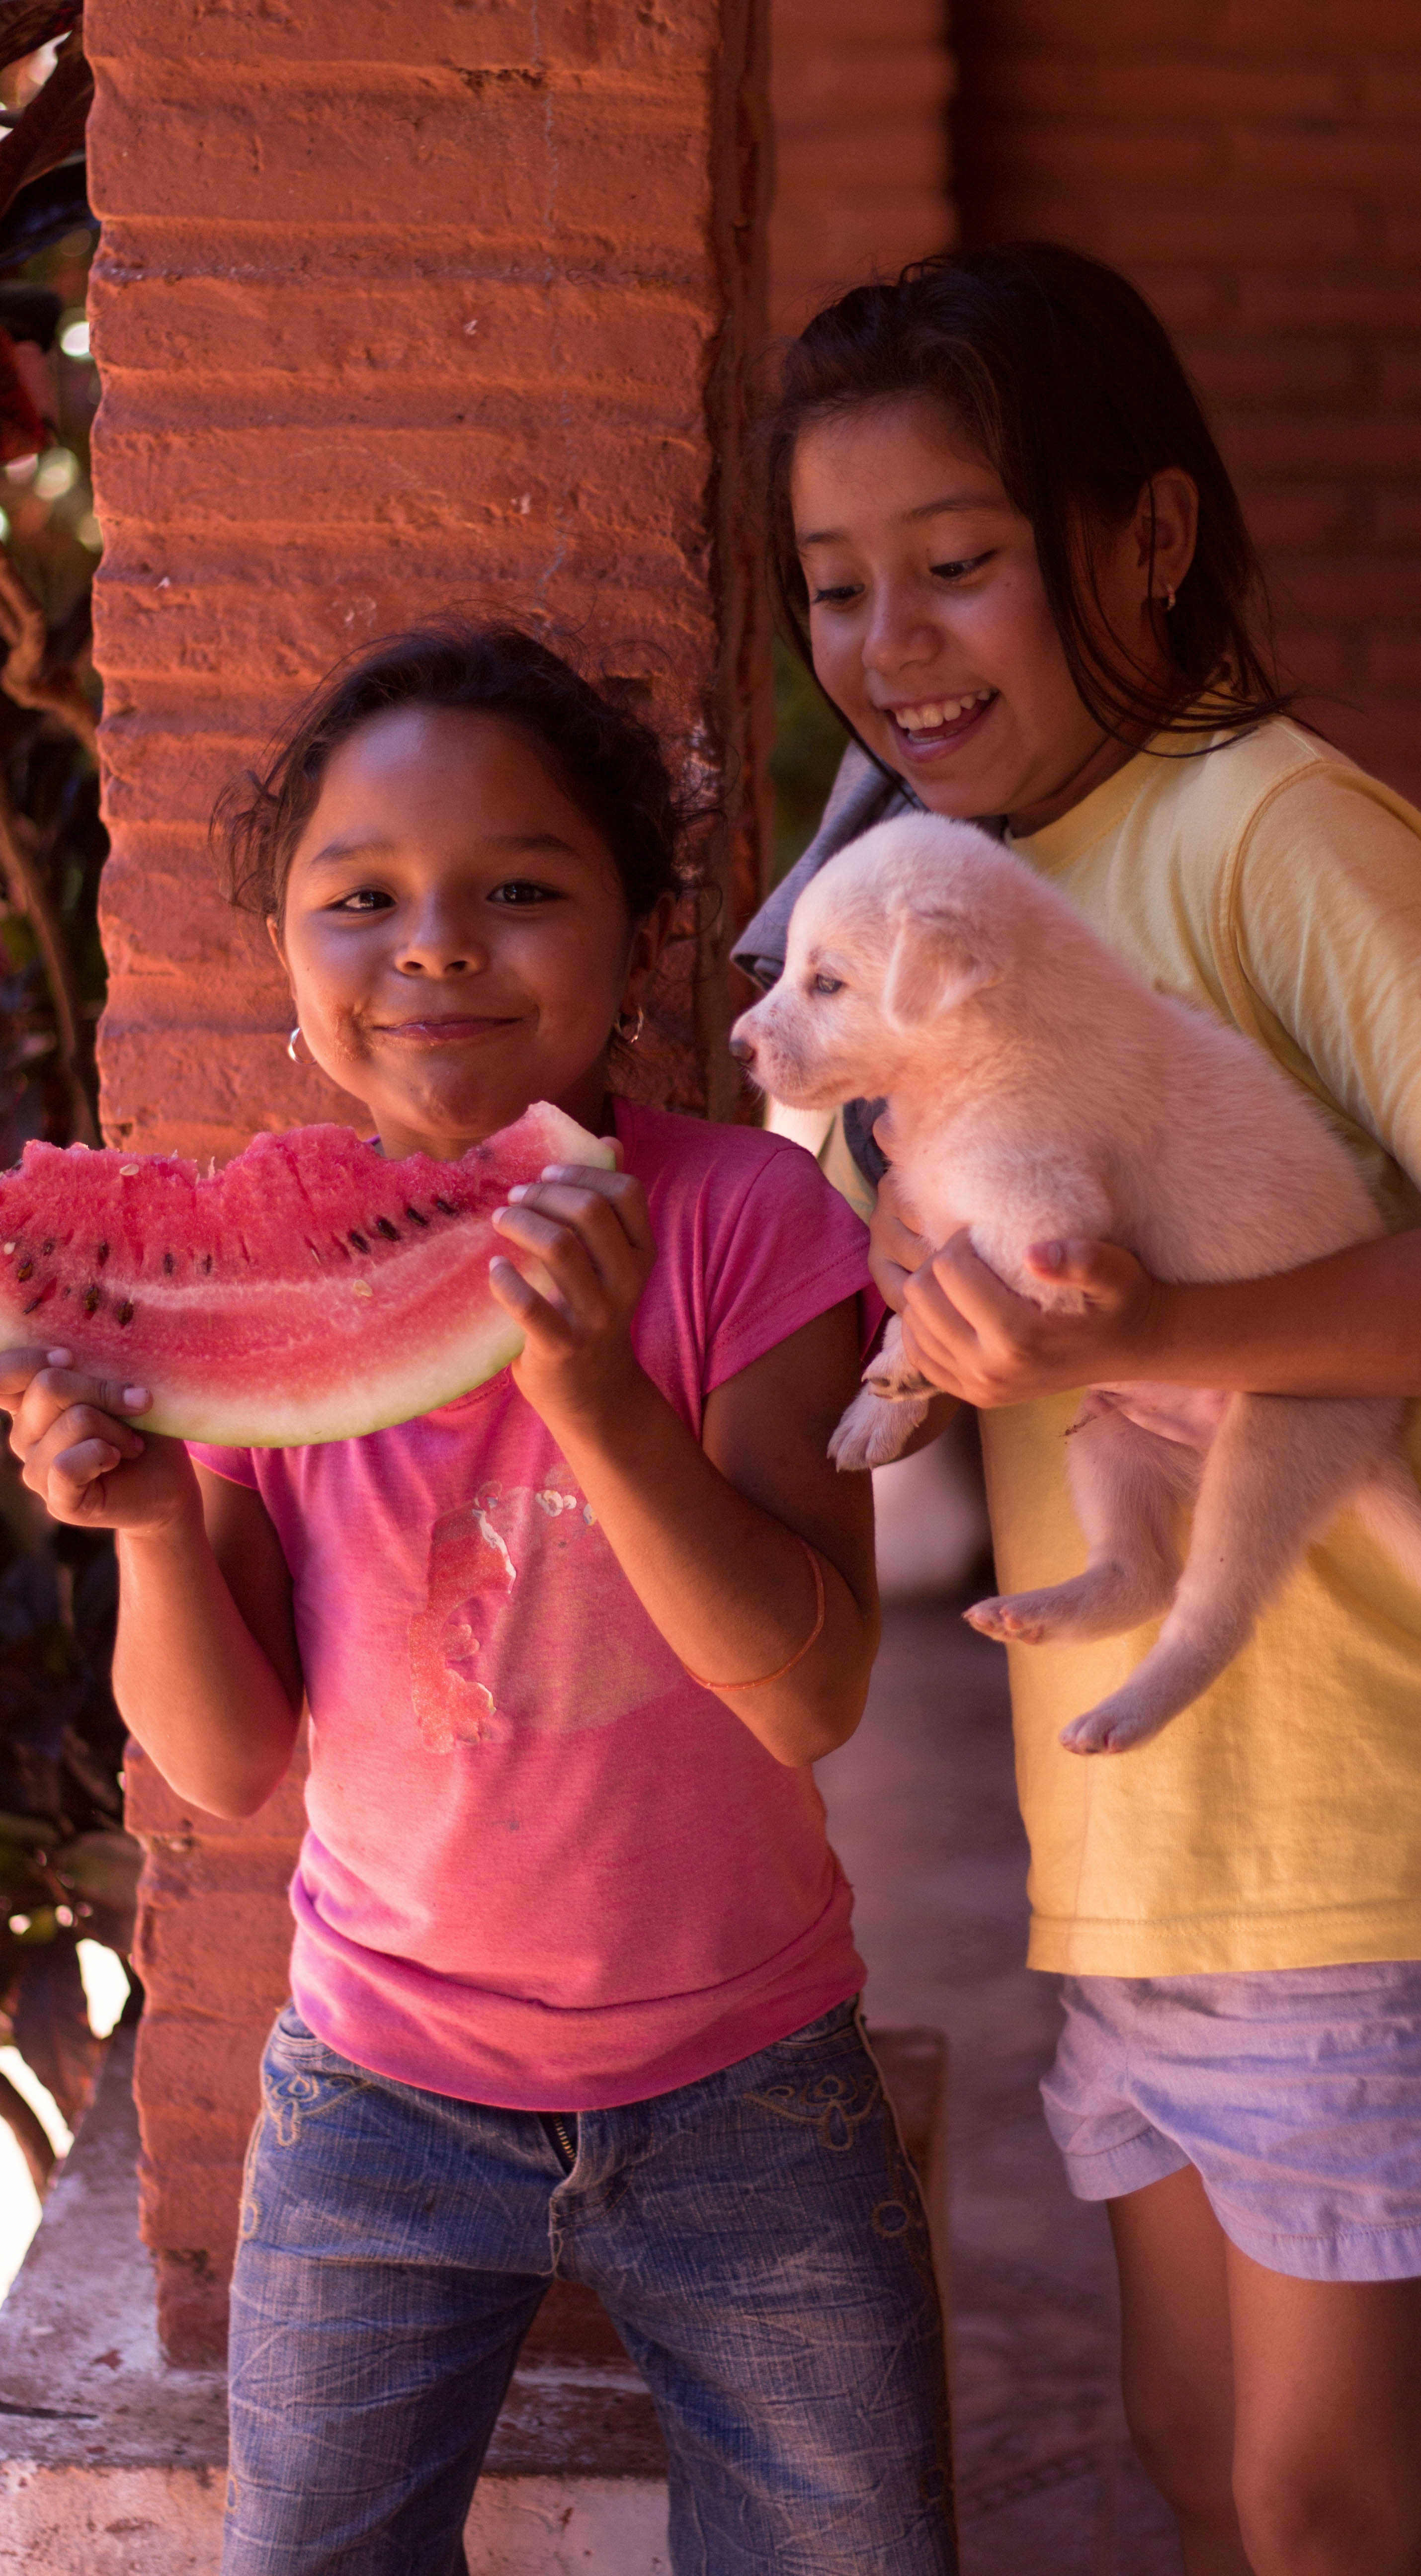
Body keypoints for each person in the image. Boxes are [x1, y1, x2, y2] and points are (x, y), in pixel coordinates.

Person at [736, 244, 1421, 2576]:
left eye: (959, 567)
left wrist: (1123, 1338)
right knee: (1200, 2458)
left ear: (1148, 539)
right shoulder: (930, 895)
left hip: (1389, 1819)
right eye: (836, 587)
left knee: (1325, 2508)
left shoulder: (1281, 833)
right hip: (1157, 1834)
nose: (891, 646)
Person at [4, 625, 955, 2576]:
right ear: (287, 958)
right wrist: (158, 1526)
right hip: (373, 2099)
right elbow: (227, 1762)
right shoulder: (246, 1289)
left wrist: (595, 1395)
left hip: (748, 2090)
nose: (435, 943)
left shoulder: (748, 1229)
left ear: (639, 935)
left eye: (521, 890)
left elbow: (812, 1691)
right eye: (362, 900)